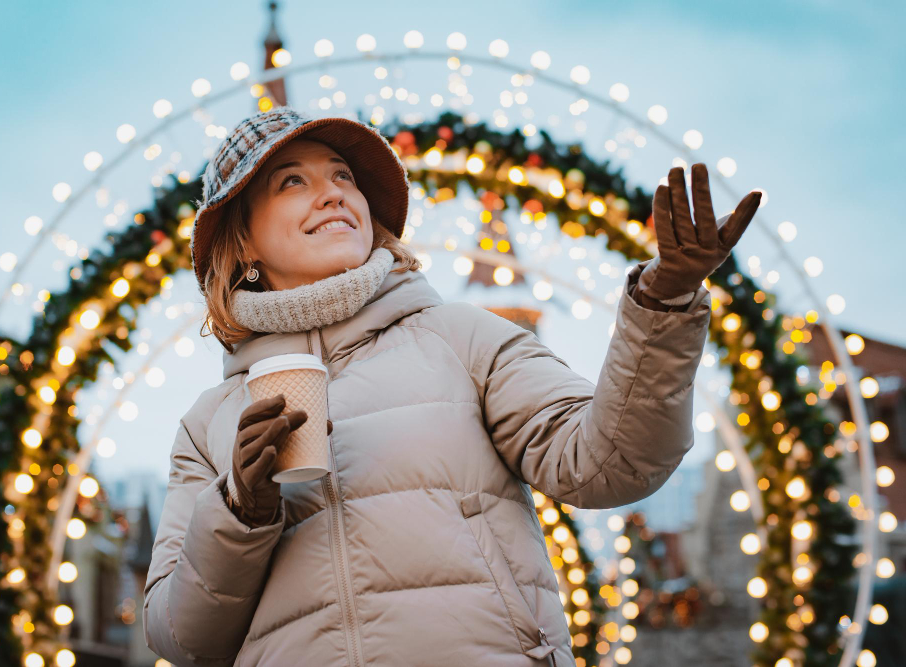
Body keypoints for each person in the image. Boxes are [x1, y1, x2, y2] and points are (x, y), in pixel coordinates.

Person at [142, 106, 763, 667]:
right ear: (243, 238)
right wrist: (238, 512)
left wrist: (663, 304)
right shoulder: (209, 425)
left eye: (343, 176)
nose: (332, 193)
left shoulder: (464, 340)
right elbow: (181, 638)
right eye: (292, 182)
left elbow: (612, 464)